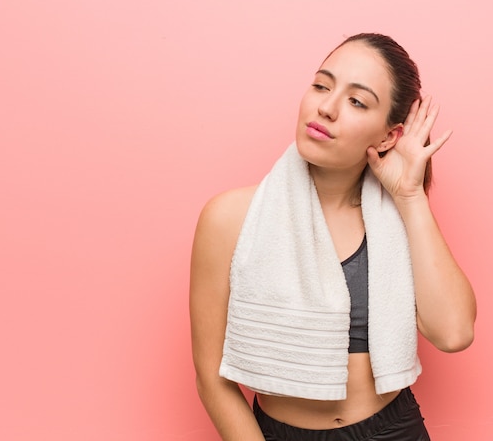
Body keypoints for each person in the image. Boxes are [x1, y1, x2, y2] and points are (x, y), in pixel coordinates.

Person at [189, 33, 477, 441]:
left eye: (357, 101)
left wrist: (411, 197)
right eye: (322, 86)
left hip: (394, 430)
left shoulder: (397, 218)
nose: (325, 107)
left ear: (388, 136)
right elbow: (211, 377)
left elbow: (453, 333)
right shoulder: (229, 218)